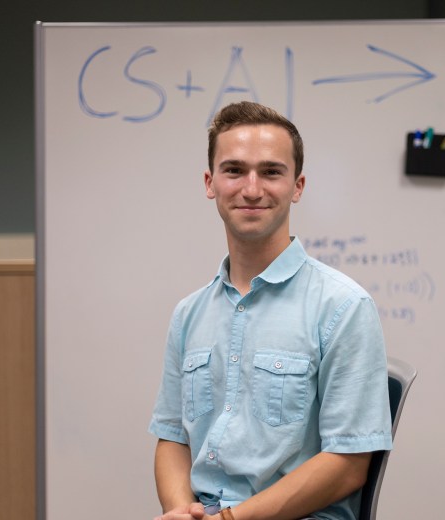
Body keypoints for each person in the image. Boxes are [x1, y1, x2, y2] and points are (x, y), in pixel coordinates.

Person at [149, 101, 393, 520]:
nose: (251, 188)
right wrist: (180, 512)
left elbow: (349, 465)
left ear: (297, 186)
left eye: (271, 172)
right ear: (210, 183)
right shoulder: (189, 314)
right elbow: (173, 439)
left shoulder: (343, 306)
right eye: (234, 170)